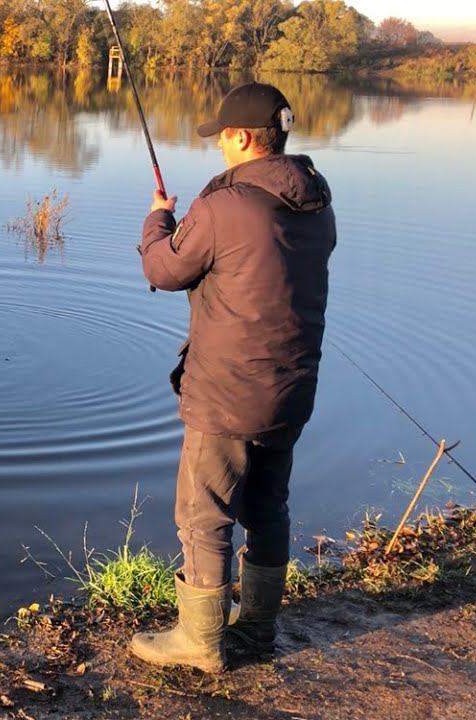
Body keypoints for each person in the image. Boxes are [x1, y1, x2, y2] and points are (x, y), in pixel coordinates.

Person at [129, 82, 337, 673]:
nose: (219, 146)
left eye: (222, 136)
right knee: (269, 507)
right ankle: (258, 627)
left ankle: (199, 641)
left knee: (203, 514)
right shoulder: (318, 203)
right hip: (292, 388)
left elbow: (166, 269)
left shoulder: (224, 207)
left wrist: (157, 220)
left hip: (228, 391)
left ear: (243, 137)